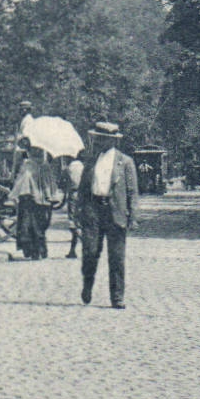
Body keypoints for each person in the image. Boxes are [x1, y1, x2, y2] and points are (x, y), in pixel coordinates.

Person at [74, 121, 137, 309]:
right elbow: (83, 189)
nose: (101, 142)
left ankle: (117, 297)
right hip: (93, 210)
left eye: (105, 139)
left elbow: (132, 191)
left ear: (114, 141)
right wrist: (79, 211)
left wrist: (133, 217)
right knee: (90, 252)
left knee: (117, 257)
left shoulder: (125, 162)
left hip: (115, 212)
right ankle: (87, 285)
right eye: (99, 138)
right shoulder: (91, 161)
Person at [8, 140, 58, 261]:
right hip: (42, 200)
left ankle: (33, 251)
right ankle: (40, 251)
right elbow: (51, 184)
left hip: (29, 200)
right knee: (39, 226)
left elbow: (21, 181)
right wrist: (50, 196)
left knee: (29, 226)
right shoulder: (45, 165)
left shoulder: (28, 165)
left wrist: (14, 194)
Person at [63, 157, 84, 258]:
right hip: (83, 195)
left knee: (73, 223)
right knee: (79, 221)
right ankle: (72, 250)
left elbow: (62, 183)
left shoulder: (68, 168)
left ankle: (86, 245)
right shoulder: (83, 167)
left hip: (73, 195)